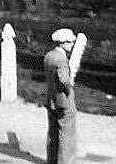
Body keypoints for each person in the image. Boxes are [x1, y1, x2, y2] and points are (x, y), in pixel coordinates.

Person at [45, 28, 78, 164]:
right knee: (67, 135)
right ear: (62, 43)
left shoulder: (49, 56)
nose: (72, 44)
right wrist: (69, 88)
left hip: (51, 98)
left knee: (53, 133)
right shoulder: (61, 59)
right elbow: (64, 80)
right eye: (70, 41)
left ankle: (52, 160)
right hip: (63, 100)